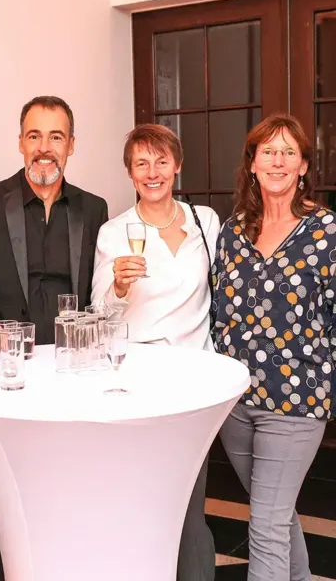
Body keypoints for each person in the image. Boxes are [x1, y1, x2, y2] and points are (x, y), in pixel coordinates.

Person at [91, 124, 219, 581]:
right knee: (144, 499)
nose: (152, 172)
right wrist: (119, 286)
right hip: (141, 380)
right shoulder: (114, 232)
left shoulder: (205, 221)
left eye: (161, 161)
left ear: (177, 165)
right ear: (129, 172)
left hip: (196, 379)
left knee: (190, 502)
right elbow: (99, 312)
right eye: (141, 163)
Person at [212, 113, 335, 581]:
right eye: (268, 151)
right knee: (276, 515)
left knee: (264, 525)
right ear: (253, 163)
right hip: (235, 402)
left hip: (297, 400)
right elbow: (218, 310)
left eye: (288, 152)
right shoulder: (233, 230)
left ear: (303, 165)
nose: (277, 161)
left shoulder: (327, 232)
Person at [0, 96, 109, 345]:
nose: (44, 148)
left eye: (56, 137)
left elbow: (100, 291)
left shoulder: (94, 209)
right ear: (21, 143)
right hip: (6, 356)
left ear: (71, 145)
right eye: (34, 136)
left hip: (74, 354)